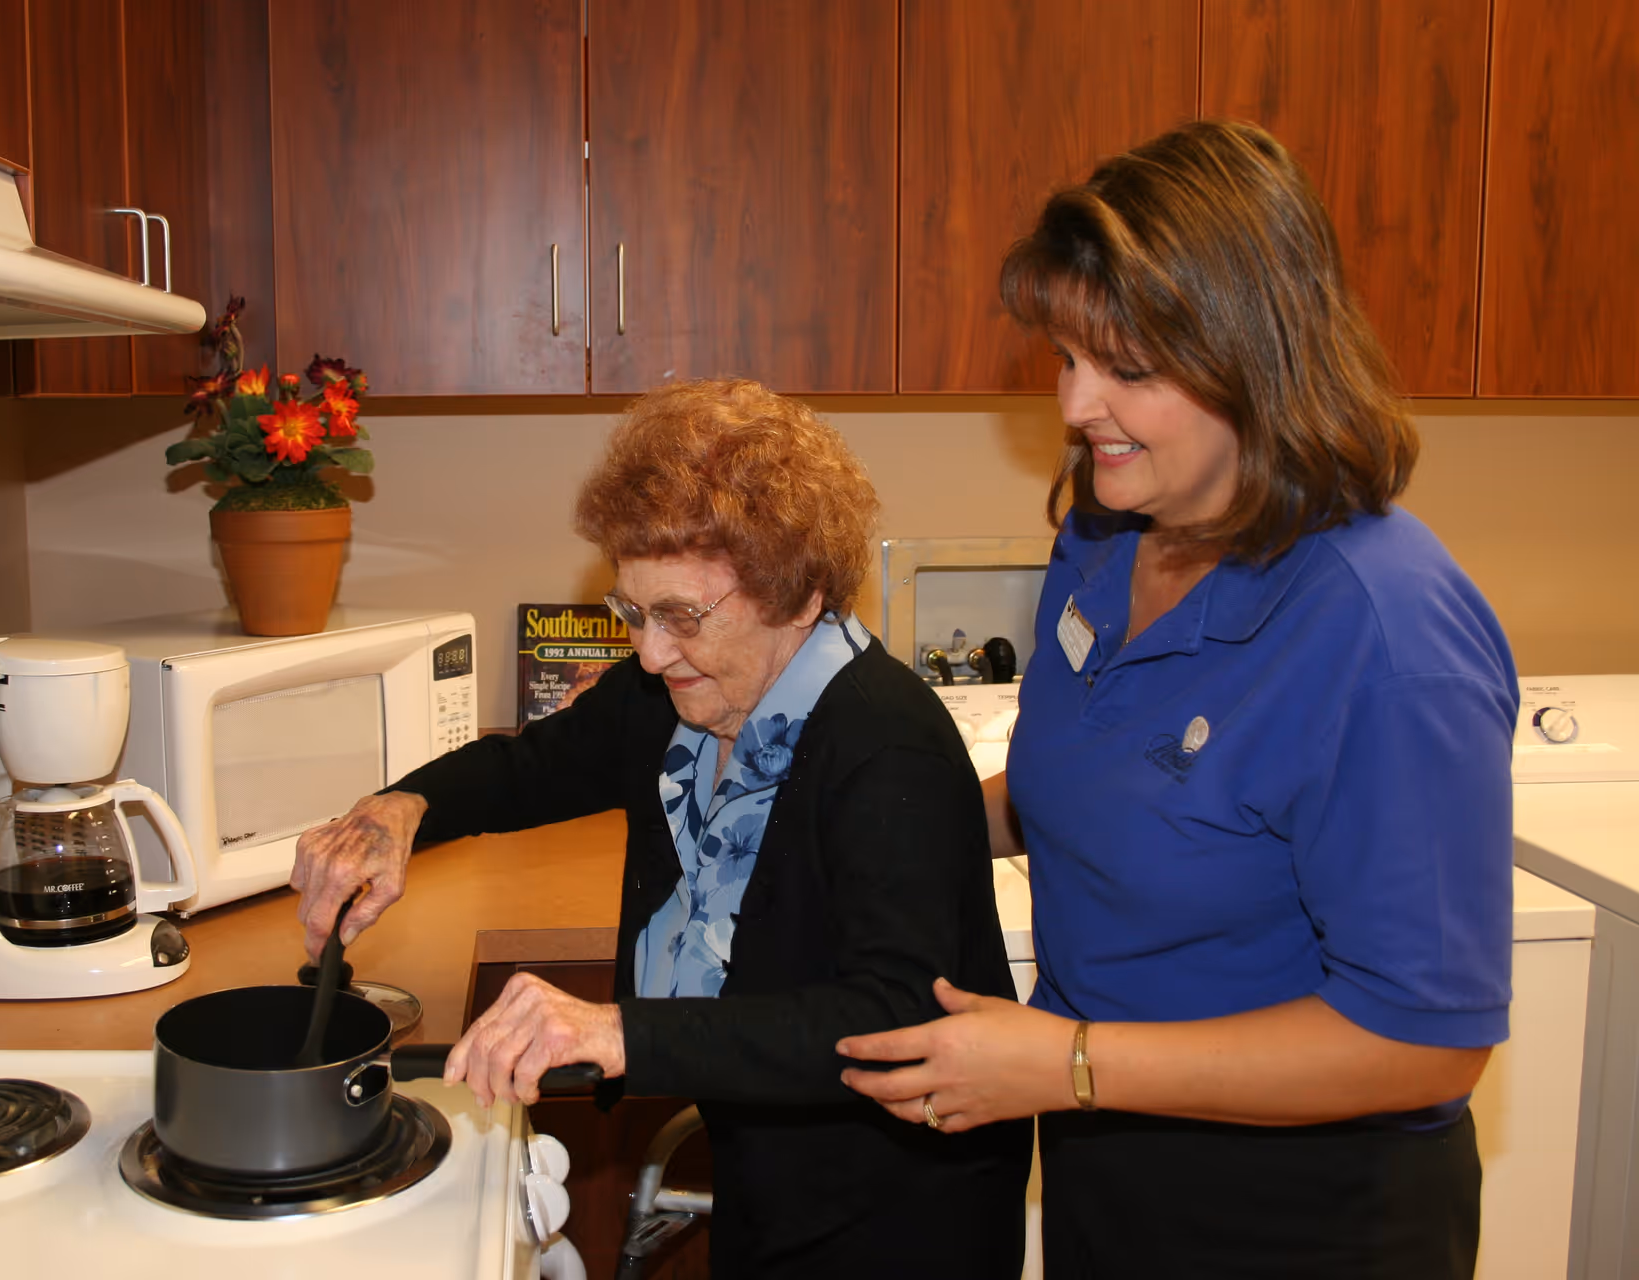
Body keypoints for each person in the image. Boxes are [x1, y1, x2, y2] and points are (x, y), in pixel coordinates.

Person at [837, 120, 1516, 1280]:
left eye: (1131, 369)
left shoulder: (1385, 632)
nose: (1076, 403)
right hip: (1115, 1156)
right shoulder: (1110, 530)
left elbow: (1424, 1043)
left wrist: (1072, 1063)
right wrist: (873, 818)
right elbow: (1100, 776)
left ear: (1260, 356)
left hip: (1303, 1212)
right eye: (1066, 355)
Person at [292, 378, 1033, 1278]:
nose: (648, 651)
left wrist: (618, 1033)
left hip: (897, 1202)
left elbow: (891, 1014)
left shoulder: (885, 744)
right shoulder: (674, 696)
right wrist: (397, 810)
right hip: (769, 1148)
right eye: (634, 612)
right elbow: (528, 769)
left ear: (798, 595)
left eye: (683, 615)